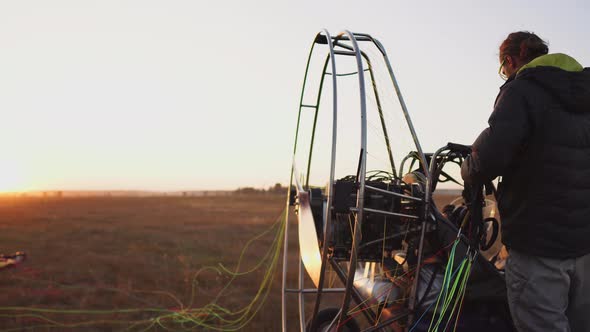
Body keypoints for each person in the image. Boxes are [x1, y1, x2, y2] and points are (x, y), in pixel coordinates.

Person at [461, 31, 590, 332]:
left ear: (511, 60)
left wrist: (468, 167)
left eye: (503, 68)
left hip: (537, 248)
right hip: (585, 247)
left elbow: (489, 159)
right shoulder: (585, 91)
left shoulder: (521, 91)